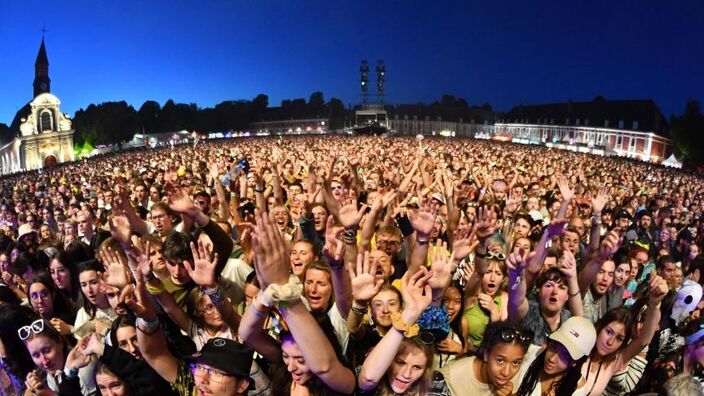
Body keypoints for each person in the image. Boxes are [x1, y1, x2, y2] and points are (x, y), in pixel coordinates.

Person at [357, 269, 435, 395]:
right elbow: (368, 378)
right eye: (400, 362)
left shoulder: (435, 388)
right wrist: (409, 314)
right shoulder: (374, 386)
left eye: (417, 367)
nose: (406, 375)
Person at [434, 321, 533, 395]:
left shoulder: (512, 372)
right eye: (500, 360)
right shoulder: (450, 378)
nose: (506, 373)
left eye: (516, 363)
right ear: (486, 354)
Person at [514, 316, 597, 396]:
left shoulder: (577, 388)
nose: (552, 359)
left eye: (564, 355)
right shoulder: (531, 353)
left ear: (575, 362)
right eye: (553, 346)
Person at [20, 318, 97, 395]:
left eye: (47, 350)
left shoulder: (82, 370)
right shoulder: (52, 373)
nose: (44, 361)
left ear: (60, 342)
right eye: (36, 355)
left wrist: (49, 394)